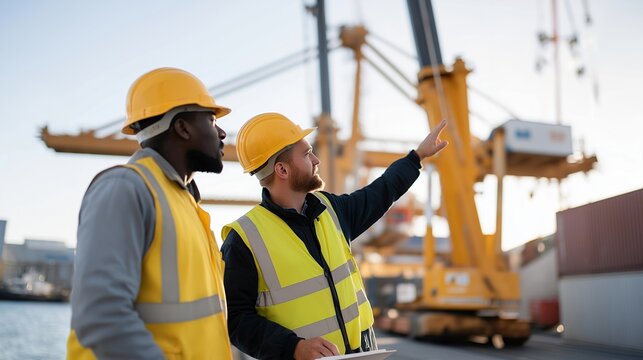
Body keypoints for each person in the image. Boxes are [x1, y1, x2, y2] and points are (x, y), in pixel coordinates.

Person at [221, 112, 448, 359]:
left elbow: (381, 192)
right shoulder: (244, 239)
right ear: (282, 169)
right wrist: (293, 347)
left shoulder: (331, 210)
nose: (316, 159)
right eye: (307, 154)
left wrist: (416, 157)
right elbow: (236, 319)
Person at [67, 67, 234, 359]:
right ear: (182, 128)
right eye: (210, 119)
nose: (221, 132)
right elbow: (101, 316)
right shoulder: (125, 188)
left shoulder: (186, 204)